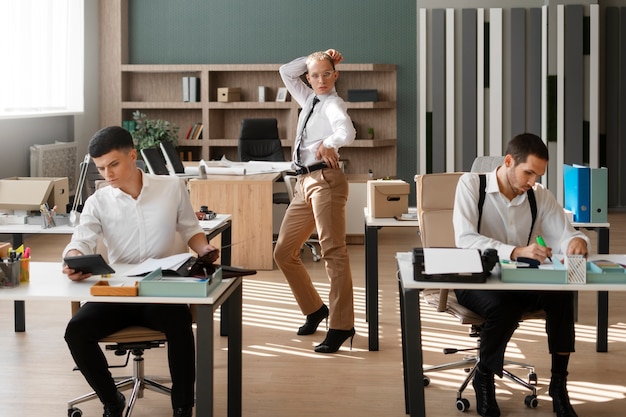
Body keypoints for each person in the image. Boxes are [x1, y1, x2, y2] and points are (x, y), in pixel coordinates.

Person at [62, 126, 218, 417]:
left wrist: (204, 250)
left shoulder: (171, 188)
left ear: (132, 156)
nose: (107, 174)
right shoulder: (98, 202)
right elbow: (79, 242)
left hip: (160, 290)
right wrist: (73, 260)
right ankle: (112, 401)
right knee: (76, 331)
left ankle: (183, 407)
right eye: (100, 168)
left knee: (179, 324)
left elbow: (190, 229)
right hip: (118, 292)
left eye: (113, 164)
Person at [452, 133, 589, 417]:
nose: (532, 181)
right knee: (505, 308)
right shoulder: (471, 185)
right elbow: (465, 240)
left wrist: (577, 242)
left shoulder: (539, 195)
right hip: (474, 279)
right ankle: (485, 377)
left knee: (562, 296)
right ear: (508, 161)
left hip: (519, 280)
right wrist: (515, 251)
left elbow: (564, 234)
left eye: (538, 175)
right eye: (528, 172)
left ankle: (559, 386)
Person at [274, 49, 356, 353]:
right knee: (283, 252)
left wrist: (328, 143)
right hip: (303, 182)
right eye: (314, 75)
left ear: (335, 76)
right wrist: (316, 54)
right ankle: (314, 309)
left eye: (326, 73)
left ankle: (342, 325)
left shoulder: (333, 103)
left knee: (333, 252)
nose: (320, 80)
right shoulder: (308, 99)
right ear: (307, 78)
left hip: (326, 182)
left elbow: (347, 130)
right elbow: (285, 70)